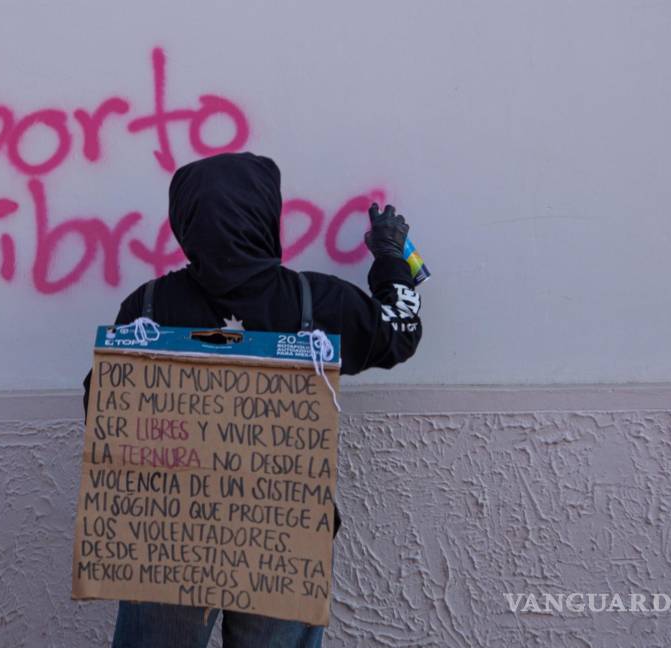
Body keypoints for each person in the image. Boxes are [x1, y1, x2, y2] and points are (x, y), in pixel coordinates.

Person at [81, 151, 423, 648]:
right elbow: (402, 331)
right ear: (267, 212)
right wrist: (392, 256)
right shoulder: (318, 301)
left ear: (184, 220)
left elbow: (101, 409)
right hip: (284, 539)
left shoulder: (149, 307)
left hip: (168, 541)